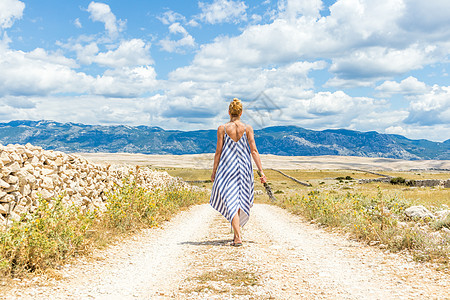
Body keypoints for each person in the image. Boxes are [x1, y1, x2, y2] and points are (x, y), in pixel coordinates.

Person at [210, 98, 267, 247]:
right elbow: (254, 150)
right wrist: (261, 172)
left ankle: (237, 236)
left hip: (226, 168)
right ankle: (237, 234)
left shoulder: (222, 128)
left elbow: (218, 152)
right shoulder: (248, 128)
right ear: (241, 113)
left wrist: (214, 171)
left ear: (229, 112)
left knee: (230, 200)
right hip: (244, 168)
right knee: (241, 199)